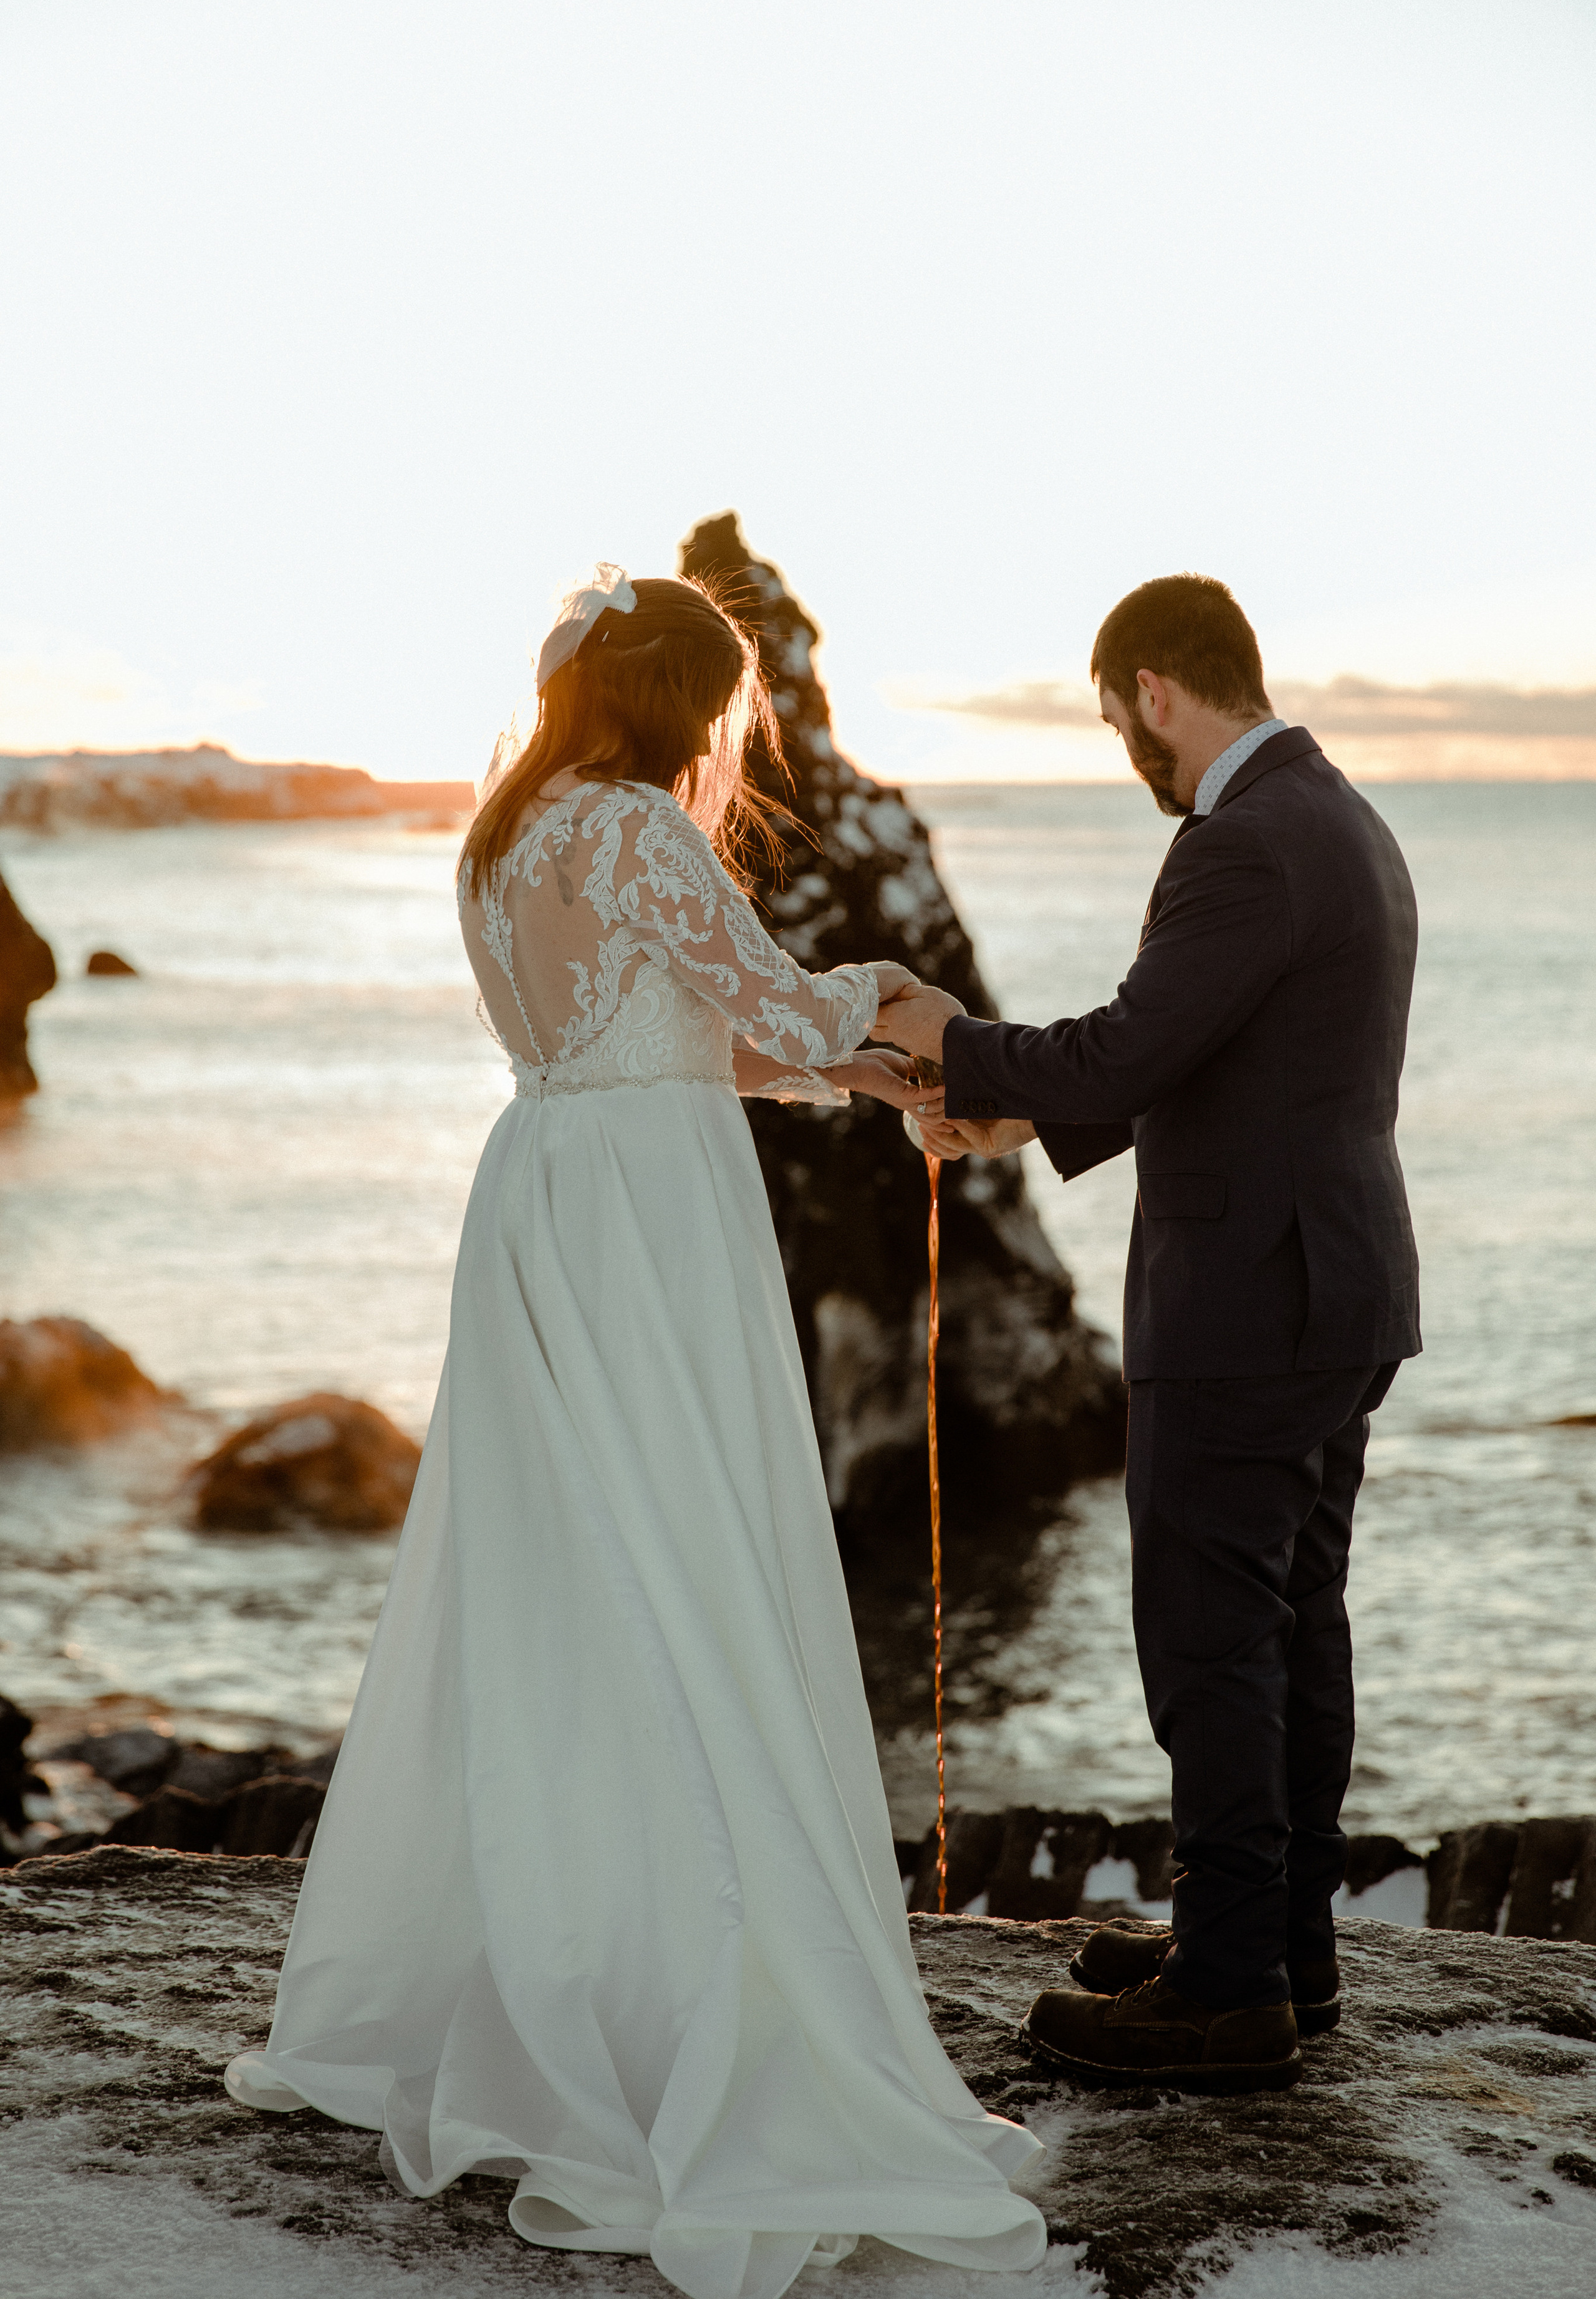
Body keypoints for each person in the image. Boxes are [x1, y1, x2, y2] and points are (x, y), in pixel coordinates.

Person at [226, 567, 1047, 2299]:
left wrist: (871, 1086)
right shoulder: (638, 835)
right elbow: (773, 1003)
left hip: (550, 1188)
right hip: (650, 1228)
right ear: (683, 704)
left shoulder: (508, 837)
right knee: (685, 1563)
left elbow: (685, 1042)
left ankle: (557, 1950)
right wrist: (898, 1004)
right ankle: (693, 1990)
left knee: (566, 1579)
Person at [879, 573, 1420, 2095]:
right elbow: (1208, 1058)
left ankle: (1228, 1990)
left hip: (1247, 1305)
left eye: (1114, 715)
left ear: (1153, 691)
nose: (1122, 743)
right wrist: (1007, 1120)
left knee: (1208, 1645)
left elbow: (1133, 1040)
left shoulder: (1238, 844)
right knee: (1290, 1626)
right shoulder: (1342, 823)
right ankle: (1271, 1947)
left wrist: (948, 1040)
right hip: (1335, 1292)